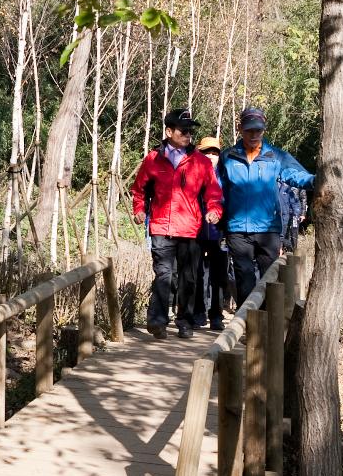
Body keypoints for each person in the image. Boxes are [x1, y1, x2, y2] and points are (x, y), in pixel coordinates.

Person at [132, 109, 224, 340]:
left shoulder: (201, 162)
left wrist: (214, 210)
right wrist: (139, 210)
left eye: (191, 131)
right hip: (161, 227)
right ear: (169, 131)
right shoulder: (153, 159)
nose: (188, 135)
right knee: (163, 274)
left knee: (188, 278)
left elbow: (213, 192)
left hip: (190, 229)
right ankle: (157, 321)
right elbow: (139, 189)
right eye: (183, 130)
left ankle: (185, 321)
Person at [217, 107, 315, 305]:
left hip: (268, 229)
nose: (254, 135)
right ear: (240, 129)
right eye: (249, 130)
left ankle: (266, 327)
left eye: (258, 131)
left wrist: (319, 180)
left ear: (264, 130)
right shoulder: (227, 157)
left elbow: (297, 175)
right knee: (243, 277)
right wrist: (216, 214)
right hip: (237, 228)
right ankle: (247, 327)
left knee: (268, 279)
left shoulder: (276, 157)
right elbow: (217, 190)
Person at [195, 136, 231, 330]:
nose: (211, 156)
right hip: (196, 231)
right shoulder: (193, 173)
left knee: (219, 275)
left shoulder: (226, 176)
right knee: (197, 273)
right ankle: (199, 312)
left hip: (219, 232)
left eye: (215, 152)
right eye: (206, 152)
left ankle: (216, 315)